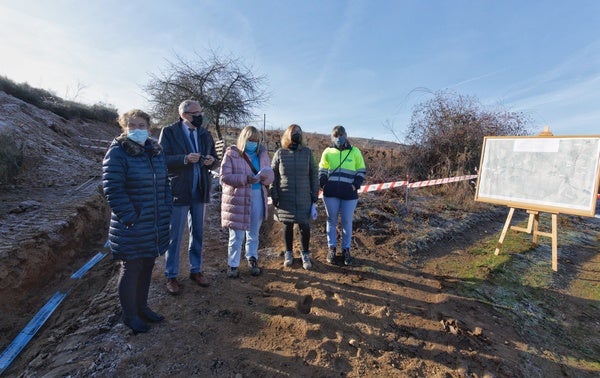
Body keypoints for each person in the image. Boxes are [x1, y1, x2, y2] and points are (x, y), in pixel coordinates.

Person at [102, 109, 172, 334]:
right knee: (131, 268)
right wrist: (130, 217)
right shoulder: (118, 152)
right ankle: (130, 315)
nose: (137, 129)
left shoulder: (156, 151)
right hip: (132, 223)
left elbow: (165, 184)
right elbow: (113, 189)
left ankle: (143, 308)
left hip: (154, 222)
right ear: (124, 128)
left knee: (147, 266)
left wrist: (166, 208)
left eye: (142, 125)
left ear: (149, 127)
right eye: (132, 125)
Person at [158, 99, 218, 294]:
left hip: (200, 190)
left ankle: (196, 270)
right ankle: (171, 275)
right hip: (179, 191)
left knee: (198, 233)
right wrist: (184, 159)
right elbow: (161, 160)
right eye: (196, 113)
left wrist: (210, 161)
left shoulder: (205, 134)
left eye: (201, 112)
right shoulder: (169, 132)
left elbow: (215, 160)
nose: (200, 116)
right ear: (184, 115)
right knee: (175, 235)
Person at [220, 126, 274, 278]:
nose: (253, 143)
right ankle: (233, 264)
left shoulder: (262, 155)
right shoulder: (232, 154)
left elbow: (270, 175)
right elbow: (224, 176)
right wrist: (245, 179)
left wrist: (266, 177)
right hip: (238, 199)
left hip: (257, 195)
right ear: (244, 139)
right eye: (250, 140)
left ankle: (252, 258)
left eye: (256, 140)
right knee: (236, 234)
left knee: (253, 233)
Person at [270, 124, 319, 270]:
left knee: (305, 226)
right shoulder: (280, 153)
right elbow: (273, 176)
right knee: (288, 225)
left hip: (304, 196)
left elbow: (314, 174)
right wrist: (274, 193)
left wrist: (315, 193)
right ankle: (288, 253)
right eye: (294, 132)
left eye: (299, 132)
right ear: (288, 135)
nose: (297, 134)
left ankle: (305, 254)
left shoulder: (308, 153)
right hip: (285, 196)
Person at [318, 125, 366, 266]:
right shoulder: (327, 151)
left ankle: (346, 249)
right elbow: (322, 168)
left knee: (346, 222)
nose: (339, 138)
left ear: (346, 135)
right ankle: (331, 248)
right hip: (331, 193)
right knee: (331, 221)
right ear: (332, 137)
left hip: (349, 194)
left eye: (341, 135)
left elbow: (361, 170)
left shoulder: (355, 151)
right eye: (336, 135)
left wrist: (355, 185)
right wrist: (323, 182)